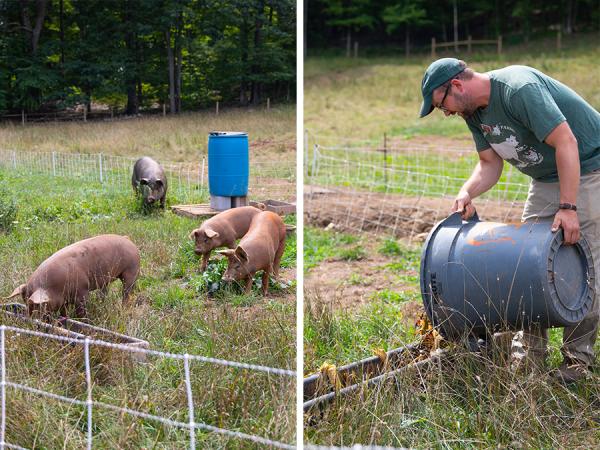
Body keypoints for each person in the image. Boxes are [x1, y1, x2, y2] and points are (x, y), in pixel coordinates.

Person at [419, 57, 600, 383]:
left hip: (588, 168)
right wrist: (467, 191)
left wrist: (569, 207)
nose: (446, 113)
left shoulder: (519, 88)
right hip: (545, 179)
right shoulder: (473, 112)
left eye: (442, 105)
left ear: (456, 85)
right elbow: (490, 164)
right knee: (527, 266)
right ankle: (529, 359)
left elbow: (566, 142)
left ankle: (576, 365)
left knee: (583, 268)